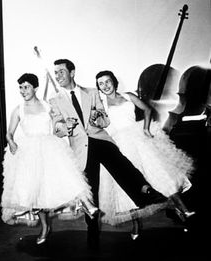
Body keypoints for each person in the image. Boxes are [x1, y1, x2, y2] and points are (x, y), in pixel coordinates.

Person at [49, 59, 170, 246]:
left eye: (61, 72)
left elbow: (104, 120)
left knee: (122, 164)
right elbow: (56, 128)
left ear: (72, 73)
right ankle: (92, 229)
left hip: (101, 140)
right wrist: (66, 127)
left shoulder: (91, 92)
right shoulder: (55, 100)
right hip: (82, 148)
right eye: (55, 73)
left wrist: (98, 118)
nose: (57, 76)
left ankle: (146, 191)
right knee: (92, 189)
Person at [0, 73, 98, 245]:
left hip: (50, 148)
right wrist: (11, 142)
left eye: (26, 87)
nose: (23, 91)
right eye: (21, 87)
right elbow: (9, 132)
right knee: (35, 192)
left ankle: (87, 204)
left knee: (68, 176)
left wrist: (66, 126)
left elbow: (57, 127)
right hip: (29, 153)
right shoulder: (19, 109)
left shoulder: (47, 106)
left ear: (35, 88)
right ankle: (45, 227)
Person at [95, 70, 195, 236]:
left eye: (107, 81)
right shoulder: (100, 104)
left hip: (137, 138)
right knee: (128, 184)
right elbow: (99, 125)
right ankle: (136, 225)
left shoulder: (128, 96)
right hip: (119, 144)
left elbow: (147, 109)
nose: (105, 86)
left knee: (160, 173)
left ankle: (184, 210)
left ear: (114, 81)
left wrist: (146, 129)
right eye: (101, 83)